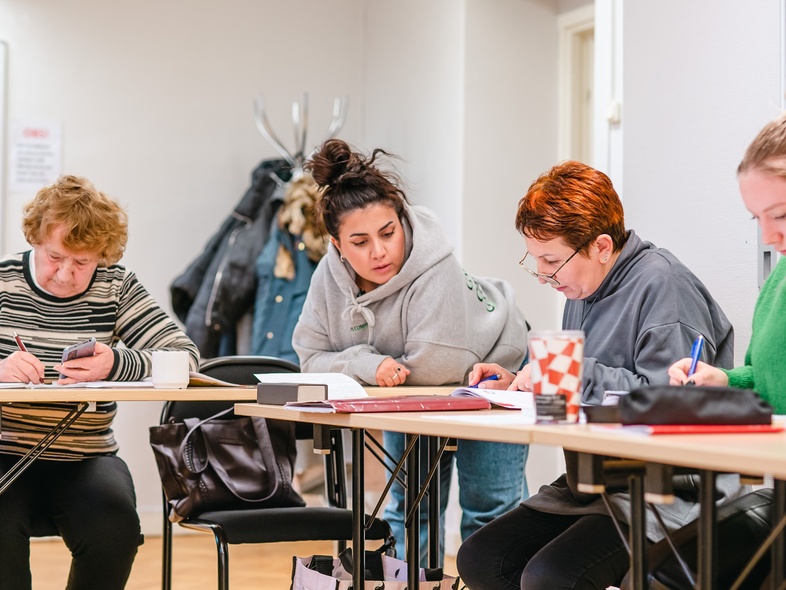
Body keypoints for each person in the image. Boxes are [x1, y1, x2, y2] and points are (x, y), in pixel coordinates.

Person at [456, 160, 742, 590]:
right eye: (535, 260)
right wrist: (518, 382)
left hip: (665, 490)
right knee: (481, 558)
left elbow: (672, 405)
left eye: (552, 261)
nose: (543, 276)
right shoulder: (582, 288)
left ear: (602, 246)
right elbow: (584, 389)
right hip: (594, 481)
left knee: (550, 576)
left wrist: (570, 373)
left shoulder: (664, 286)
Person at [292, 138, 530, 564]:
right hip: (408, 389)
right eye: (360, 242)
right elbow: (310, 358)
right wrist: (367, 363)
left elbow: (437, 368)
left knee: (489, 509)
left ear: (402, 220)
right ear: (337, 245)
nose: (379, 251)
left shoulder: (436, 267)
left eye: (388, 233)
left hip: (495, 362)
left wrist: (361, 367)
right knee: (411, 507)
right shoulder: (327, 278)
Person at [0, 175, 200, 590]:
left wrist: (117, 362)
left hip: (85, 456)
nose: (65, 274)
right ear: (36, 239)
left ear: (102, 256)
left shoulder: (116, 285)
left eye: (83, 262)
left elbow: (185, 357)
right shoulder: (4, 280)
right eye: (55, 257)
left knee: (115, 530)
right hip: (5, 450)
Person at [669, 113, 786, 413]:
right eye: (757, 218)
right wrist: (724, 380)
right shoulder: (779, 279)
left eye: (780, 215)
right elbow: (765, 378)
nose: (768, 236)